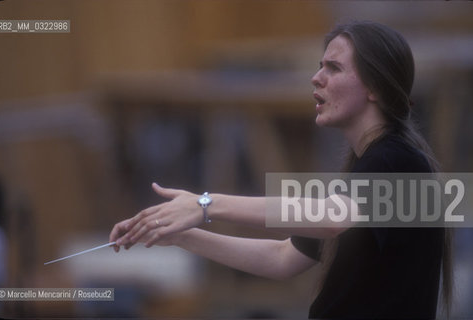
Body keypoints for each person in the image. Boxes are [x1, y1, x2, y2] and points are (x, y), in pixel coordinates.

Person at [110, 21, 451, 319]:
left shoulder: (400, 161)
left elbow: (332, 219)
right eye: (320, 66)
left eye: (333, 68)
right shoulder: (371, 165)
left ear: (375, 86)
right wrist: (180, 235)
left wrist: (204, 205)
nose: (316, 78)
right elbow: (282, 257)